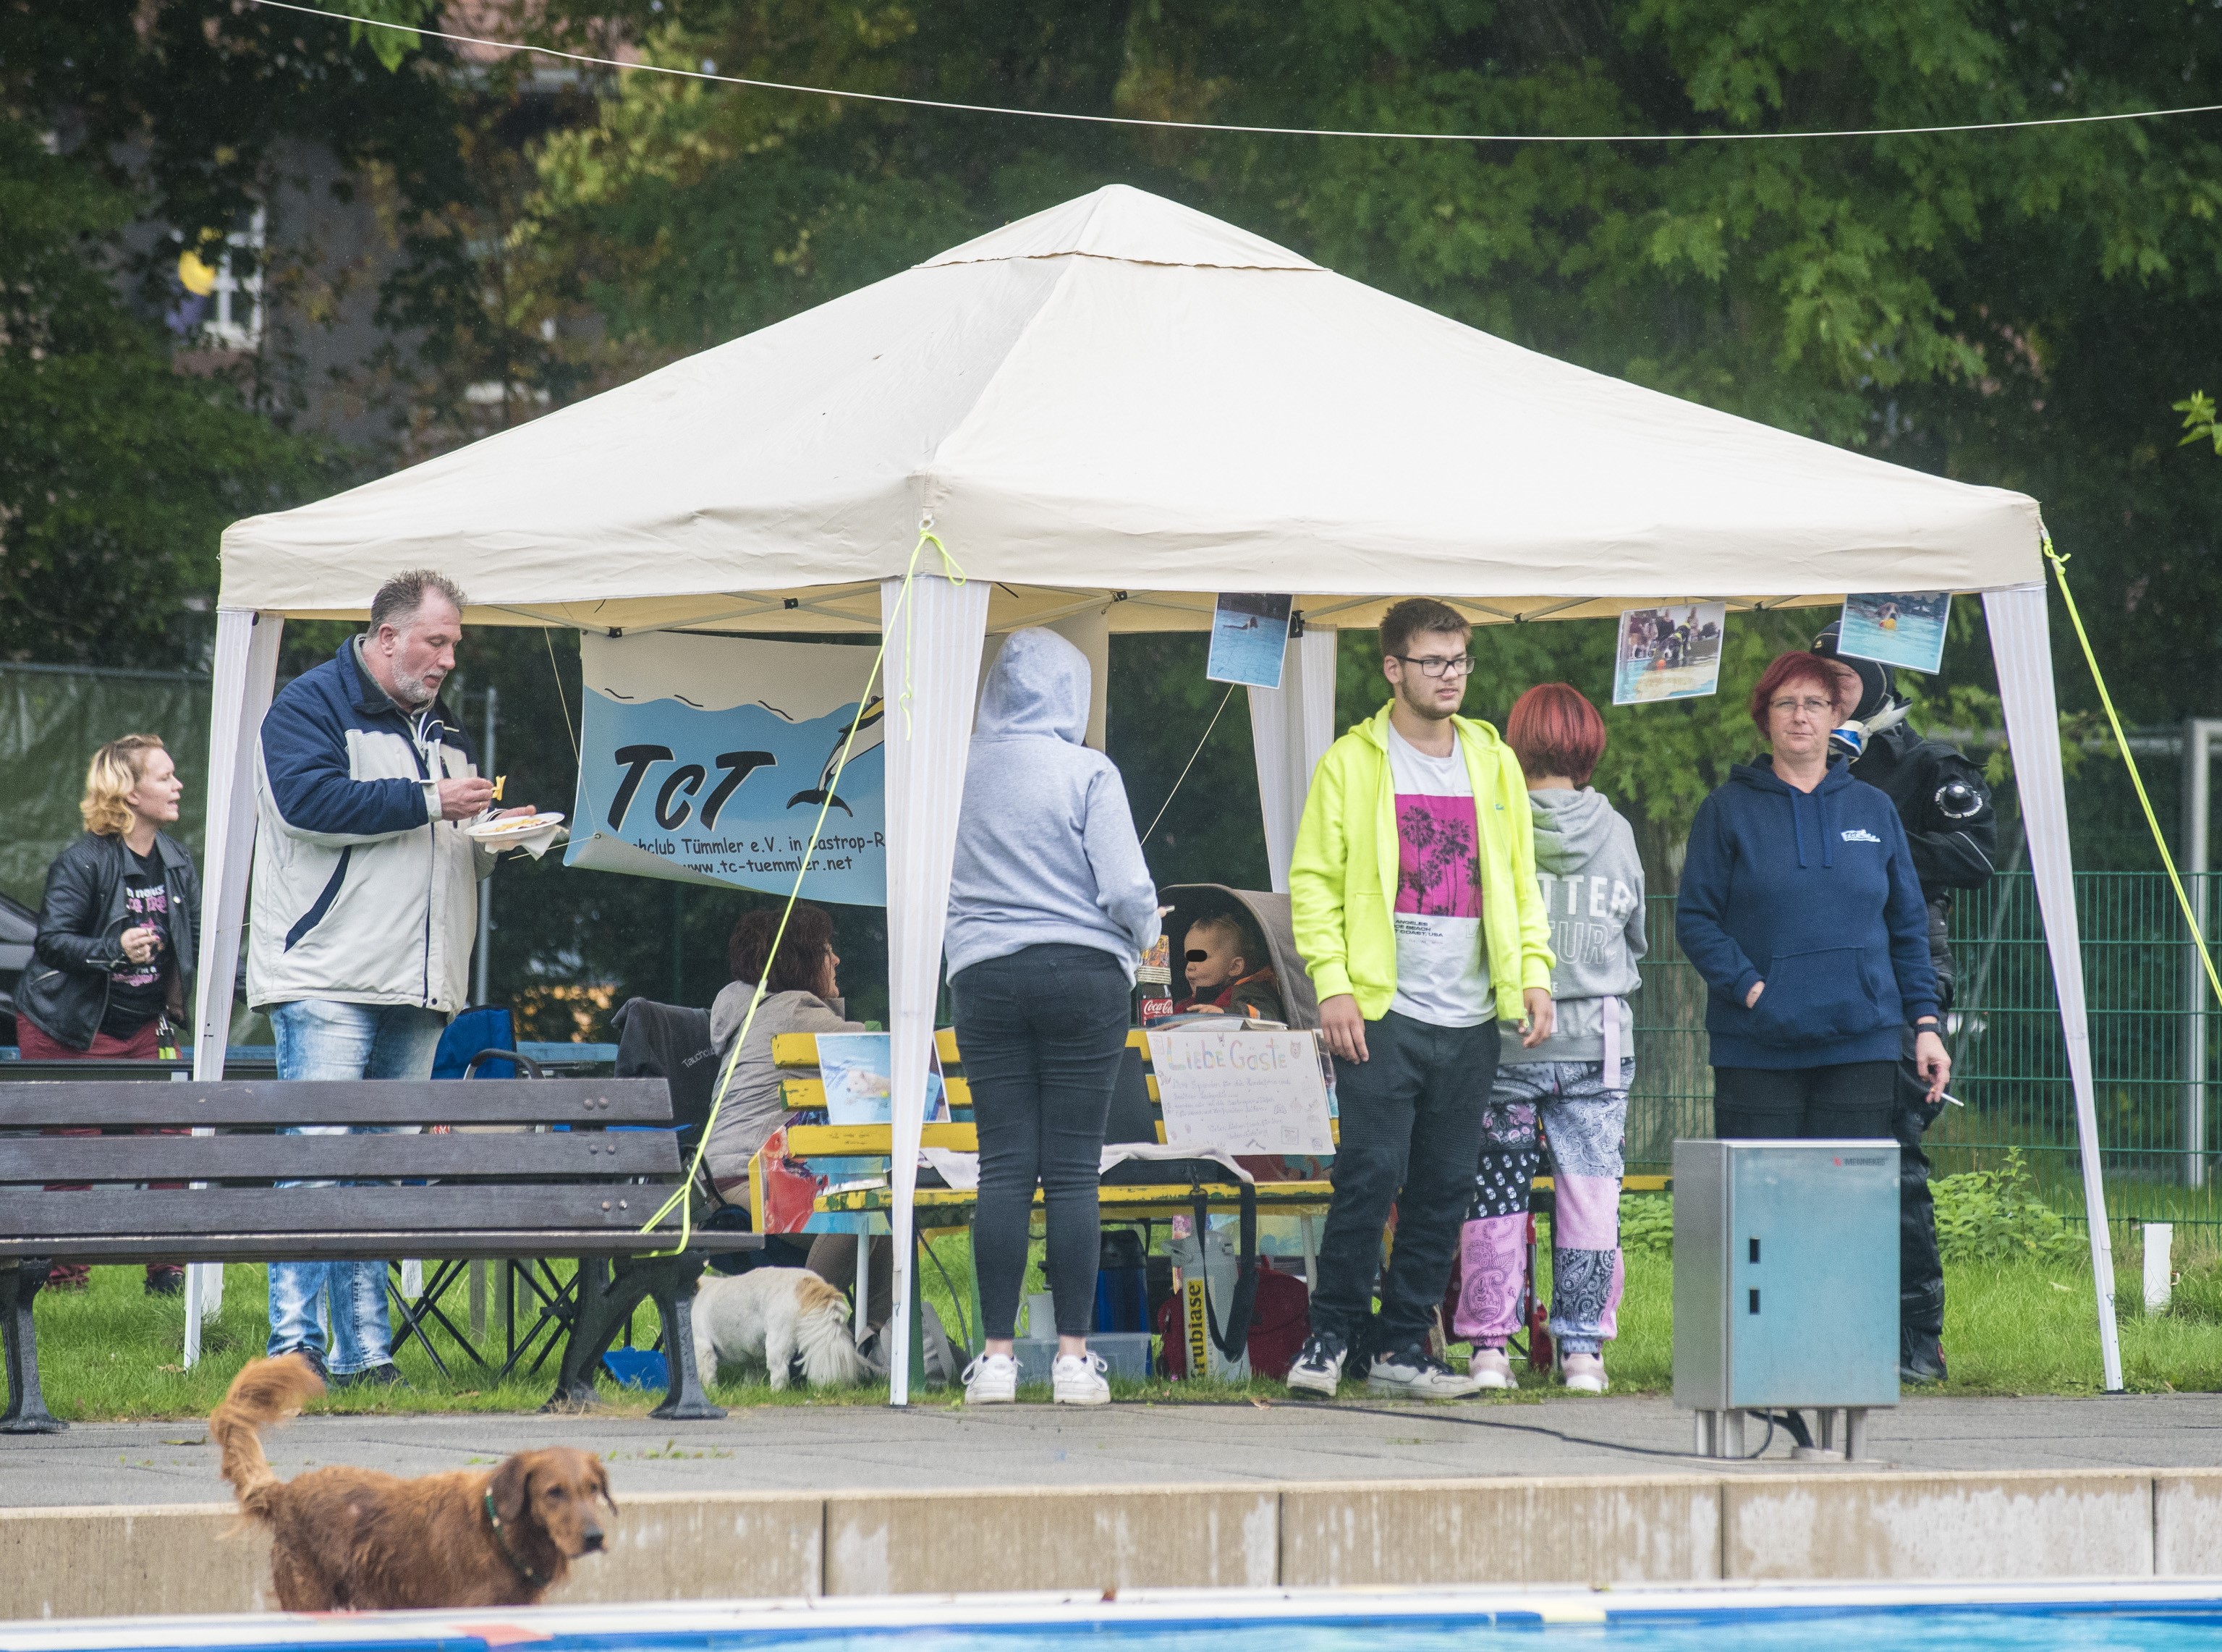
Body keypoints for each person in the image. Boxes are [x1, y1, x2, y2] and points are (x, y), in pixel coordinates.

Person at [246, 569, 533, 1387]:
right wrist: (428, 801)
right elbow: (306, 804)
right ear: (385, 638)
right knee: (318, 1161)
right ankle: (292, 1349)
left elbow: (441, 841)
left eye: (454, 646)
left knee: (373, 1170)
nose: (447, 659)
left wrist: (497, 838)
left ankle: (365, 1351)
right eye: (435, 641)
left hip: (419, 985)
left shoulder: (442, 732)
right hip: (328, 976)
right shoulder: (307, 705)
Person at [1285, 597, 1557, 1400]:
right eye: (1433, 661)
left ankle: (1402, 1345)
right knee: (1369, 1174)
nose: (1449, 676)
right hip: (1380, 1009)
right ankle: (1329, 1335)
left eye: (1459, 661)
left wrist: (1532, 974)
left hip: (1472, 1013)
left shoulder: (1492, 758)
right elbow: (1312, 883)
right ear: (1393, 668)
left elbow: (1516, 880)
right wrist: (1330, 987)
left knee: (1444, 1183)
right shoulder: (1351, 760)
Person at [944, 629, 1158, 1407]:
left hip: (985, 974)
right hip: (1082, 976)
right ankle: (1072, 1360)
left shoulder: (953, 768)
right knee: (1071, 1170)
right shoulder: (1087, 770)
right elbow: (1127, 888)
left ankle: (995, 1361)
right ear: (1073, 694)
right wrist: (1147, 936)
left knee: (1002, 1166)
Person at [1813, 622, 1996, 1384]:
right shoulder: (1794, 765)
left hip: (1903, 979)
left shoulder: (1926, 766)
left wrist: (1873, 838)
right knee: (1817, 1158)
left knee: (1893, 1155)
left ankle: (1916, 1335)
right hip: (1813, 979)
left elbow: (1974, 855)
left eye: (1842, 685)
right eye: (1815, 689)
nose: (1827, 702)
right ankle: (1825, 1325)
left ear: (1874, 682)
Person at [1675, 650, 1949, 1155]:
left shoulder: (1874, 808)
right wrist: (1752, 988)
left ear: (1836, 715)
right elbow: (1695, 920)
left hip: (1861, 1045)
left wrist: (1926, 1026)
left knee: (1843, 1211)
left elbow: (1907, 926)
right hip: (1755, 1046)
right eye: (1786, 703)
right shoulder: (1725, 810)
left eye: (1814, 703)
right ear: (1765, 717)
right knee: (1760, 1212)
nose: (1800, 715)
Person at [1456, 684, 1644, 1394]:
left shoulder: (1492, 824)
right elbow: (1637, 934)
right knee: (1590, 1198)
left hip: (1508, 1043)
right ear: (1588, 746)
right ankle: (1582, 1354)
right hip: (1596, 1043)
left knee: (1496, 1194)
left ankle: (1488, 1350)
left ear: (1515, 742)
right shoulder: (1618, 832)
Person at [17, 734, 201, 1295]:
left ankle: (166, 1270)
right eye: (164, 777)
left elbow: (193, 947)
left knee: (172, 1136)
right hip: (69, 1026)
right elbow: (51, 942)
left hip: (144, 1026)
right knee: (77, 1144)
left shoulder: (176, 861)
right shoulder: (81, 860)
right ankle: (63, 1274)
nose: (178, 785)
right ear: (128, 790)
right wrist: (112, 947)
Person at [701, 903, 893, 1329]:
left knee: (876, 1212)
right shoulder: (793, 1012)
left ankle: (881, 1346)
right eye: (827, 950)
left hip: (725, 1180)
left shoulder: (756, 1011)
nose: (836, 960)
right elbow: (885, 1056)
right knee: (858, 1214)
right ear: (802, 960)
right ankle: (807, 1339)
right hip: (749, 1180)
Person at [1170, 912, 1286, 1023]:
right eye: (1188, 959)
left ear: (1234, 967)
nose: (1190, 966)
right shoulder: (1185, 1005)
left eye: (1200, 958)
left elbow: (1268, 1017)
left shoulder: (1250, 993)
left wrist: (1226, 1014)